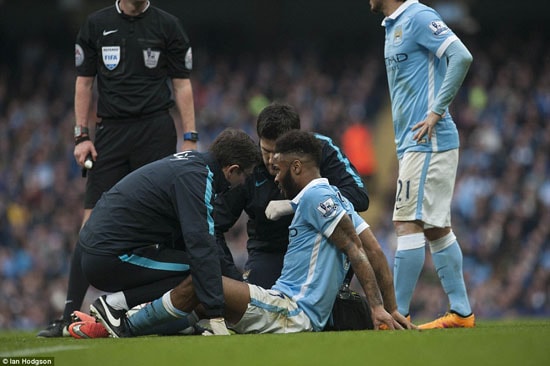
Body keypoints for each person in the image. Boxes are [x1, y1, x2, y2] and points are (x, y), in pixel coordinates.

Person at [93, 130, 405, 337]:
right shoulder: (338, 199)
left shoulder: (314, 197)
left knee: (203, 282)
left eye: (280, 169)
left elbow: (356, 252)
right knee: (201, 304)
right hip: (284, 303)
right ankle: (134, 319)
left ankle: (125, 325)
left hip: (291, 310)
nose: (276, 177)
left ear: (297, 167)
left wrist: (377, 307)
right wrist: (392, 309)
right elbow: (375, 253)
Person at [38, 0, 198, 337]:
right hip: (110, 132)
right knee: (91, 224)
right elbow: (84, 82)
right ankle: (69, 314)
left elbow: (182, 83)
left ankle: (164, 312)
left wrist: (190, 138)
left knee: (162, 224)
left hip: (155, 129)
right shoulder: (96, 25)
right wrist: (81, 136)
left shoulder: (168, 25)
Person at [76, 128, 259, 338]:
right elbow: (202, 247)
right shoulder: (198, 178)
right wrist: (217, 313)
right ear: (231, 170)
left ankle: (174, 321)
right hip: (107, 256)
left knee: (198, 263)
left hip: (99, 250)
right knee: (198, 267)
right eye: (245, 176)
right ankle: (113, 305)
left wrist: (234, 282)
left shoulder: (192, 165)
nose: (244, 182)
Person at [369, 0, 475, 328]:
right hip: (414, 144)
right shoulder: (392, 25)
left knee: (406, 223)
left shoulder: (418, 17)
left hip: (428, 142)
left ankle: (396, 315)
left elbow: (461, 56)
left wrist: (436, 111)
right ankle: (461, 312)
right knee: (436, 228)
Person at [215, 103, 370, 289]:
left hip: (319, 248)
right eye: (266, 151)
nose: (271, 160)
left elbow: (359, 197)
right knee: (256, 309)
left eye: (278, 153)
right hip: (269, 251)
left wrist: (296, 204)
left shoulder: (321, 150)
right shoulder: (250, 162)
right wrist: (233, 276)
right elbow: (215, 225)